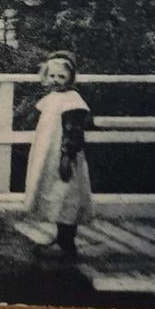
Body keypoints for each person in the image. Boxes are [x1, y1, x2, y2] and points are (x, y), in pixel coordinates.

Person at [24, 50, 93, 260]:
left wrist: (67, 155)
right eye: (52, 76)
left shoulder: (73, 101)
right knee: (54, 194)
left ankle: (67, 242)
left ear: (71, 78)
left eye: (61, 77)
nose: (56, 80)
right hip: (47, 154)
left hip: (63, 155)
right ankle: (61, 238)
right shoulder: (51, 98)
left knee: (66, 193)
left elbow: (74, 132)